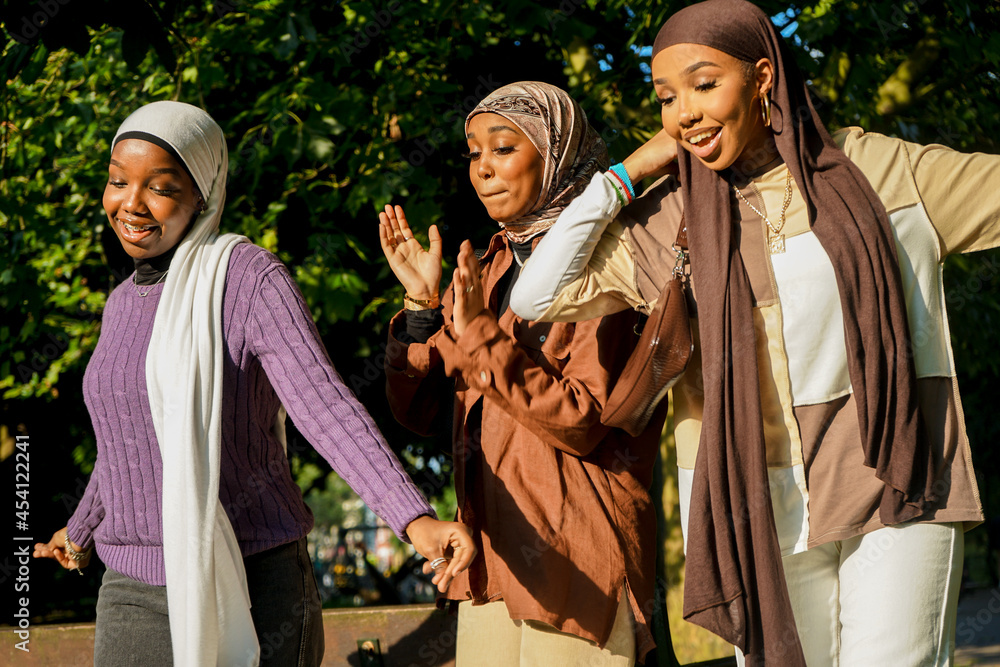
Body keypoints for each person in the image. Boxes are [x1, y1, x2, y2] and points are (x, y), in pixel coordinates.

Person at [509, 2, 999, 665]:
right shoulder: (673, 221)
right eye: (666, 98)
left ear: (762, 77)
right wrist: (628, 175)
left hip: (898, 481)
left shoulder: (879, 171)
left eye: (704, 84)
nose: (683, 111)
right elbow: (535, 292)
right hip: (758, 505)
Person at [32, 101, 476, 667]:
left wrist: (413, 520)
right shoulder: (120, 304)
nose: (131, 203)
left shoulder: (248, 279)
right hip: (131, 587)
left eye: (160, 187)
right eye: (118, 181)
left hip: (253, 577)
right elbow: (131, 437)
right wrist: (83, 527)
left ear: (203, 194)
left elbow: (325, 409)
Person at [377, 81, 666, 665]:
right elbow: (426, 413)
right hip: (487, 562)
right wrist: (419, 312)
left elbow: (584, 419)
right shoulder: (489, 264)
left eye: (503, 148)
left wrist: (484, 343)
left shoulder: (610, 261)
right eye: (473, 152)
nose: (482, 169)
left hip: (578, 555)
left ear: (555, 153)